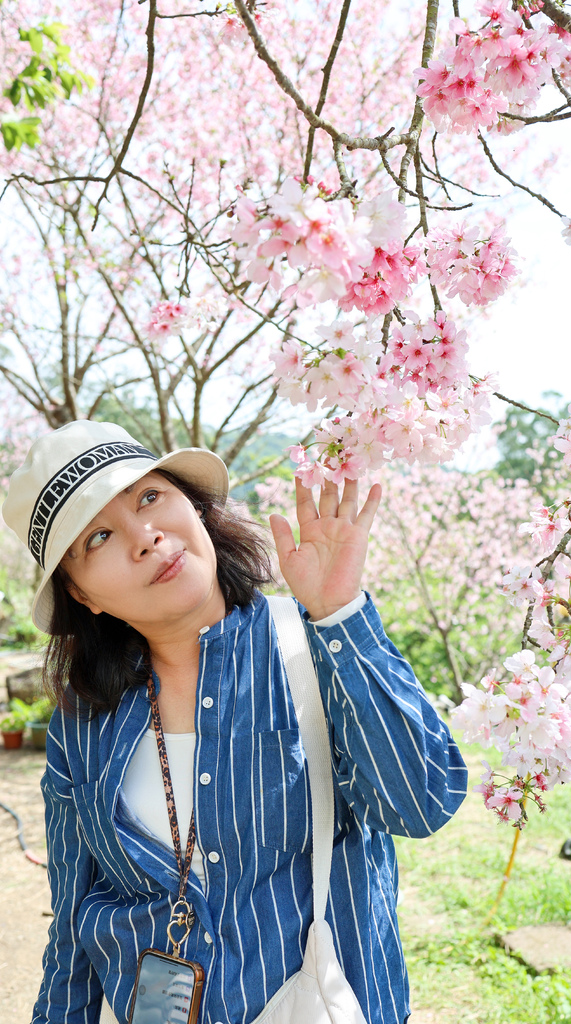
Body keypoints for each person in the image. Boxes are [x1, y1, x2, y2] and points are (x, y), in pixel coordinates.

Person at [2, 420, 468, 1024]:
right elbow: (73, 912)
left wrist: (339, 614)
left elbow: (421, 803)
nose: (145, 538)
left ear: (193, 508)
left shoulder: (313, 643)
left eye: (149, 497)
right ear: (81, 595)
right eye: (97, 538)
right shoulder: (83, 716)